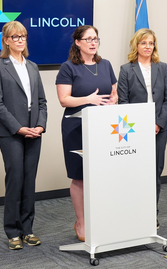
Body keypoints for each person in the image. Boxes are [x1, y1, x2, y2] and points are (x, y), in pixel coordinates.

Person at [0, 21, 47, 250]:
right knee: (15, 180)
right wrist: (18, 128)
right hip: (10, 133)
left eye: (23, 36)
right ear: (5, 40)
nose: (20, 40)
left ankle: (27, 229)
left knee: (29, 180)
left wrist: (40, 126)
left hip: (34, 132)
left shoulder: (33, 66)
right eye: (15, 37)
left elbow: (42, 101)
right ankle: (12, 231)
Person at [56, 25, 118, 241]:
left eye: (96, 39)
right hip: (76, 128)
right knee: (80, 177)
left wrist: (112, 101)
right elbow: (64, 99)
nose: (93, 42)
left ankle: (100, 218)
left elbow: (114, 93)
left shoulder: (106, 64)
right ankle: (81, 222)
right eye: (89, 39)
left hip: (103, 128)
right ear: (78, 42)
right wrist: (88, 100)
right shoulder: (68, 67)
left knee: (101, 175)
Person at [117, 28, 167, 229]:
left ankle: (152, 214)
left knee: (155, 173)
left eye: (151, 43)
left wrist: (158, 123)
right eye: (144, 43)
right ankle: (134, 212)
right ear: (136, 45)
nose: (148, 47)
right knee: (136, 172)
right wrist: (141, 126)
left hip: (159, 128)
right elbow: (123, 102)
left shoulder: (162, 67)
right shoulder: (126, 70)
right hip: (135, 130)